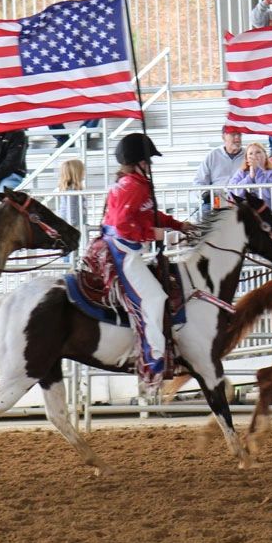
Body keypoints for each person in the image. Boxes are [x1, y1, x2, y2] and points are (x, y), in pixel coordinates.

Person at [101, 132, 192, 379]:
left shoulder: (136, 185)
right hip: (122, 252)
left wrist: (177, 225)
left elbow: (149, 214)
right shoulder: (132, 186)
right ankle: (154, 357)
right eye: (147, 161)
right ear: (138, 162)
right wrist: (159, 235)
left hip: (127, 248)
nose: (150, 166)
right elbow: (123, 226)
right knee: (154, 297)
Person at [193, 127, 245, 214]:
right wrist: (206, 195)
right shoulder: (213, 155)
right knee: (203, 213)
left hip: (241, 200)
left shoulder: (248, 154)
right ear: (223, 137)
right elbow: (199, 182)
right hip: (217, 201)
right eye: (233, 135)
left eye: (239, 135)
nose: (237, 138)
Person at [227, 142, 272, 219]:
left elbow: (271, 193)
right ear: (247, 158)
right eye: (250, 154)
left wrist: (258, 171)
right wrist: (250, 177)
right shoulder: (241, 173)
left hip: (270, 217)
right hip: (246, 219)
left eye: (258, 152)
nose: (254, 156)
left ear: (265, 155)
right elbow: (233, 193)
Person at [55, 158, 85, 229]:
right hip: (72, 225)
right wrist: (73, 225)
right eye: (83, 170)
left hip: (73, 224)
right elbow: (71, 207)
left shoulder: (73, 188)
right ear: (77, 172)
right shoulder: (71, 190)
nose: (84, 172)